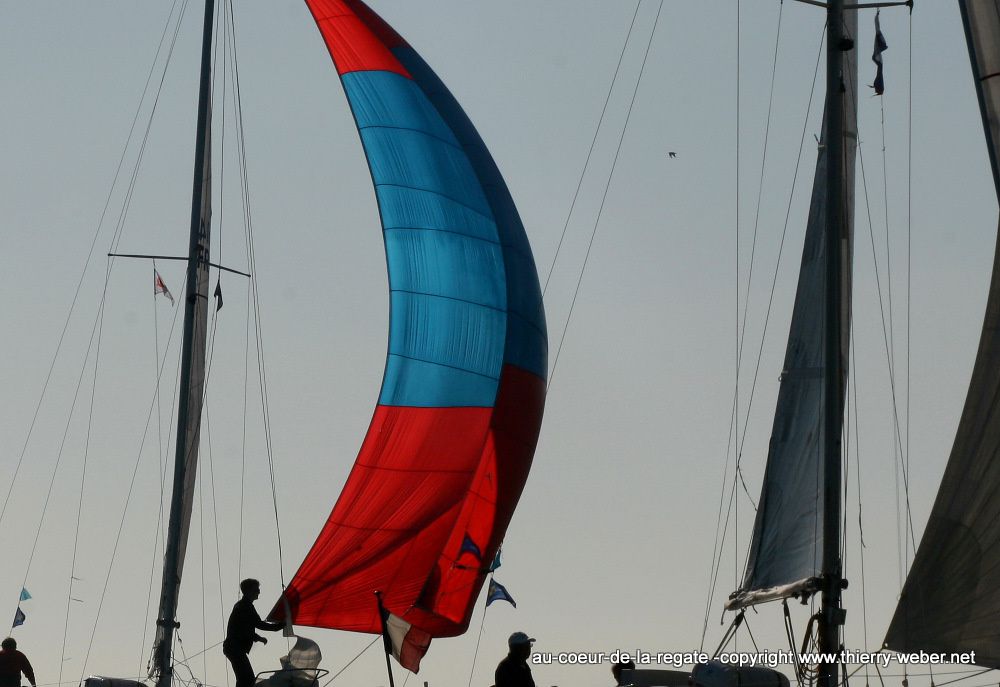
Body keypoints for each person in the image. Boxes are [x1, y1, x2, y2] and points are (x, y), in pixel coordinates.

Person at [223, 578, 283, 687]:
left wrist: (258, 638)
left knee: (245, 679)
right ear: (249, 590)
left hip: (233, 647)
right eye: (257, 589)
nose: (259, 592)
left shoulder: (243, 605)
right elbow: (258, 624)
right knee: (247, 679)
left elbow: (245, 627)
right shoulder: (245, 606)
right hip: (234, 647)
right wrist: (279, 626)